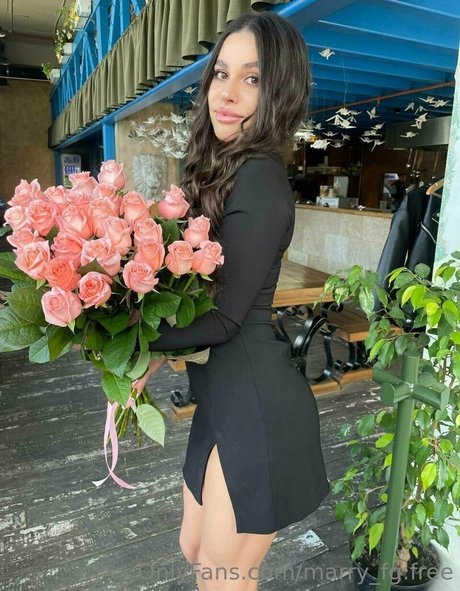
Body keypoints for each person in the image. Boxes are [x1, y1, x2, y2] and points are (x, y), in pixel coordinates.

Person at [133, 12, 330, 590]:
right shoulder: (225, 168)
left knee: (222, 574)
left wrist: (132, 334)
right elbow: (194, 296)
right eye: (222, 73)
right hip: (220, 396)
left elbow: (221, 319)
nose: (228, 92)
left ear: (280, 92)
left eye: (253, 78)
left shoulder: (260, 179)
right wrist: (142, 359)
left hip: (256, 402)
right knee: (195, 548)